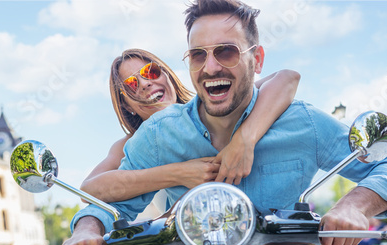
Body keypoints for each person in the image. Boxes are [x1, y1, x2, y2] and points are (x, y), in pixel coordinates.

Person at [62, 1, 387, 245]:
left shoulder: (302, 122)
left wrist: (352, 206)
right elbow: (109, 202)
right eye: (199, 55)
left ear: (256, 59)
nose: (211, 67)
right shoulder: (156, 136)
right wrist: (87, 230)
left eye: (225, 51)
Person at [80, 48, 301, 201]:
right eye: (132, 84)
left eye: (151, 72)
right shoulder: (130, 145)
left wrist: (244, 140)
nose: (146, 83)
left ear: (167, 75)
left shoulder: (213, 108)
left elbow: (287, 78)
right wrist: (179, 174)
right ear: (126, 105)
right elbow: (88, 190)